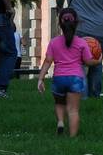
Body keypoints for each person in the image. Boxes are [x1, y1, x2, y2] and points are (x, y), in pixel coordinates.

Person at [37, 8, 93, 137]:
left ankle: (61, 122)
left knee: (59, 103)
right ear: (76, 23)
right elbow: (88, 61)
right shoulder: (82, 43)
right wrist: (97, 60)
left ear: (60, 24)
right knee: (73, 110)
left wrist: (40, 79)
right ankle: (72, 138)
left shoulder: (54, 42)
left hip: (59, 78)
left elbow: (47, 61)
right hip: (75, 78)